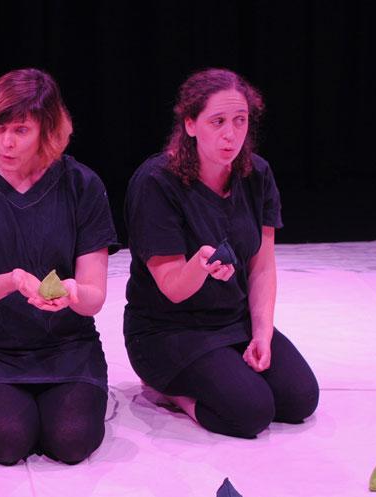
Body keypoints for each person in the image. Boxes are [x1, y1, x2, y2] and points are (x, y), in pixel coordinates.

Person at [0, 68, 119, 465]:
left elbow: (94, 296)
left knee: (71, 441)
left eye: (21, 130)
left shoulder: (82, 185)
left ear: (48, 131)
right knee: (8, 440)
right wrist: (13, 281)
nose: (7, 142)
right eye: (0, 129)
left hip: (67, 346)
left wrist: (74, 294)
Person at [123, 68, 319, 439]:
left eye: (240, 121)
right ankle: (170, 393)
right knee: (250, 413)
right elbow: (172, 289)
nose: (231, 134)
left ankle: (227, 365)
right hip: (168, 330)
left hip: (232, 319)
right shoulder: (156, 183)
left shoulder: (256, 174)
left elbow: (262, 264)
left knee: (299, 400)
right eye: (218, 122)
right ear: (191, 124)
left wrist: (261, 332)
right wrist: (199, 266)